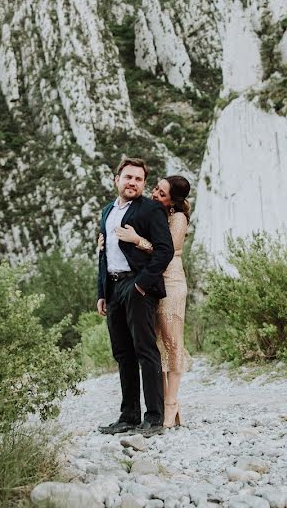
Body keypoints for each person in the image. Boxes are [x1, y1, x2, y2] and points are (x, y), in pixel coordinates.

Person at [96, 157, 174, 437]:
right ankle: (128, 416)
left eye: (139, 179)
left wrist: (142, 284)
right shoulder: (107, 212)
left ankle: (153, 417)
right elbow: (104, 254)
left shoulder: (150, 209)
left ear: (143, 183)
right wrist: (102, 292)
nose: (133, 183)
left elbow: (164, 250)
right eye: (128, 177)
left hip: (137, 286)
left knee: (145, 350)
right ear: (117, 179)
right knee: (123, 354)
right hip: (114, 289)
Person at [112, 175, 191, 429]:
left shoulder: (178, 219)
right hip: (153, 282)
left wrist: (137, 240)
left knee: (172, 341)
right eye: (156, 188)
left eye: (161, 192)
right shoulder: (154, 213)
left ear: (173, 200)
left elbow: (167, 250)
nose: (155, 193)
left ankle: (171, 404)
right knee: (156, 344)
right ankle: (164, 403)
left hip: (172, 282)